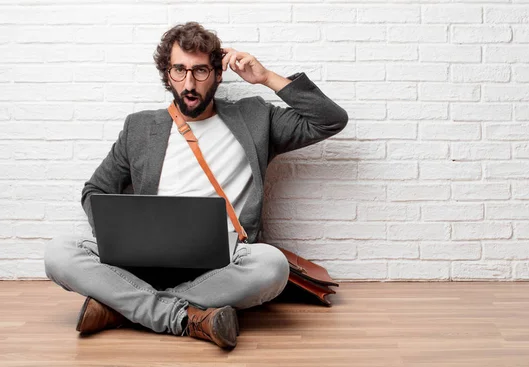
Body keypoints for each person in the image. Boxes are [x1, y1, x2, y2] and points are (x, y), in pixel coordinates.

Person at [44, 22, 348, 349]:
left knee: (271, 266)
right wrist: (120, 236)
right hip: (144, 258)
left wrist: (267, 77)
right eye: (179, 70)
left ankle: (122, 309)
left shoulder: (256, 117)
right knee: (59, 252)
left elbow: (330, 119)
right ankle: (186, 317)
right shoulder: (140, 127)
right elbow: (96, 191)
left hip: (225, 260)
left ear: (218, 74)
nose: (189, 83)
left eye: (200, 71)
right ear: (167, 72)